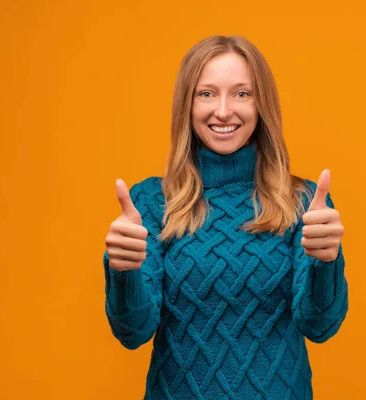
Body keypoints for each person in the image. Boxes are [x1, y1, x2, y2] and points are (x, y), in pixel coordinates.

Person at [103, 35, 348, 399]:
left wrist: (325, 262)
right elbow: (133, 332)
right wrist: (122, 271)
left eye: (241, 94)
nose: (222, 111)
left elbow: (320, 325)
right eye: (206, 94)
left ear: (262, 104)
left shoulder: (301, 202)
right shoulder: (151, 203)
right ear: (186, 105)